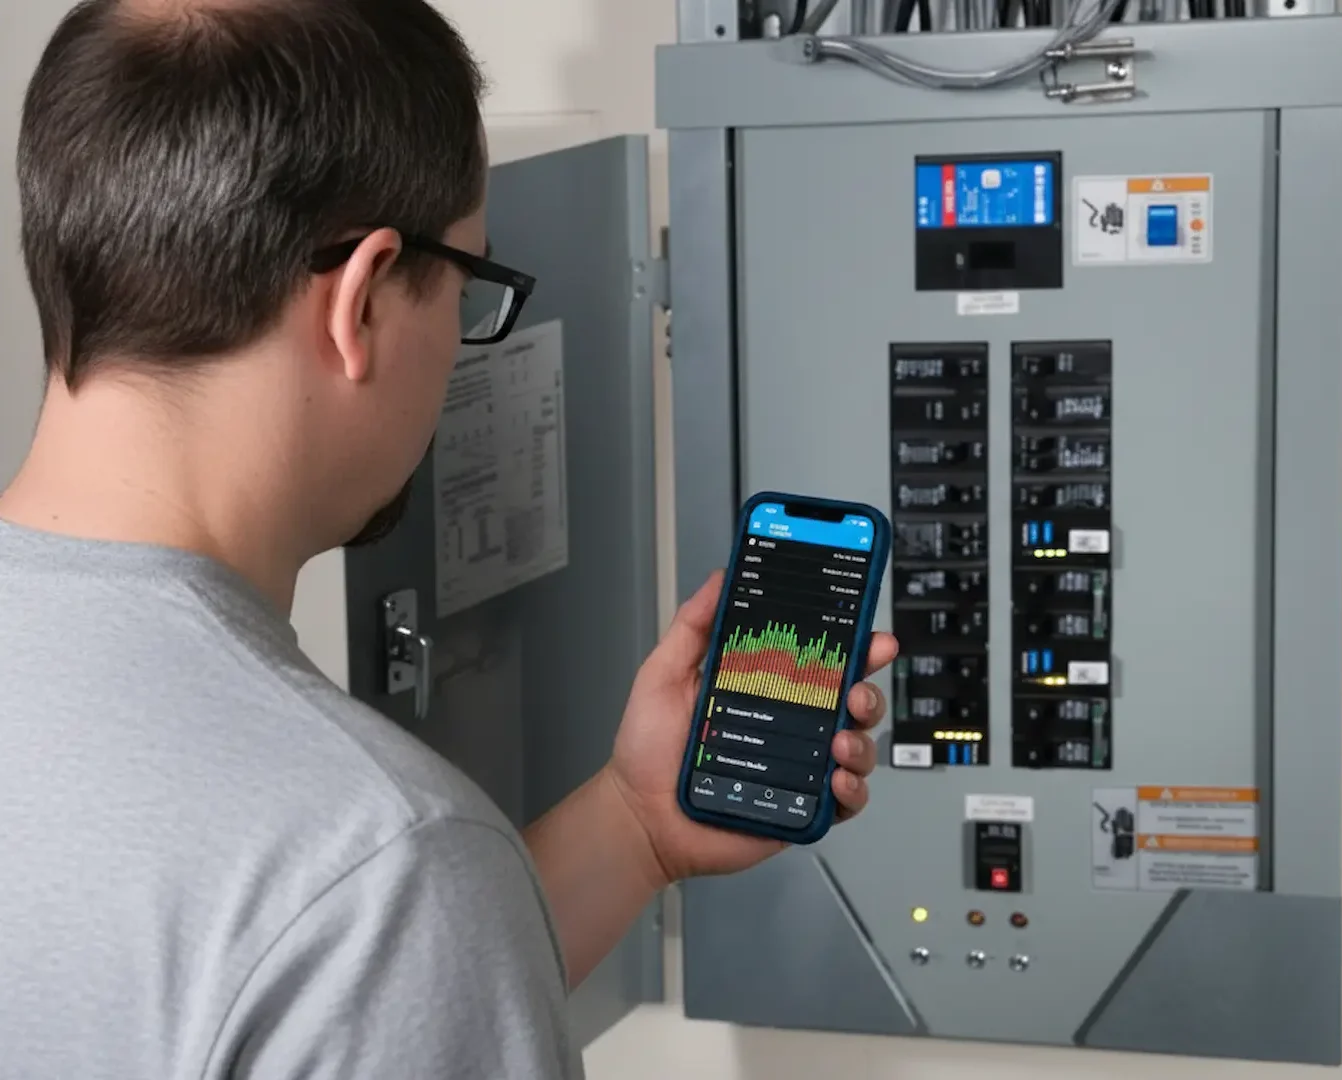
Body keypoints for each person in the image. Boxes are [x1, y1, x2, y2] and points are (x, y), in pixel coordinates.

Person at [0, 2, 898, 1077]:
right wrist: (433, 880)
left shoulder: (370, 885)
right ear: (364, 297)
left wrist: (631, 827)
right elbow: (364, 942)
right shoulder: (375, 863)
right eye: (471, 288)